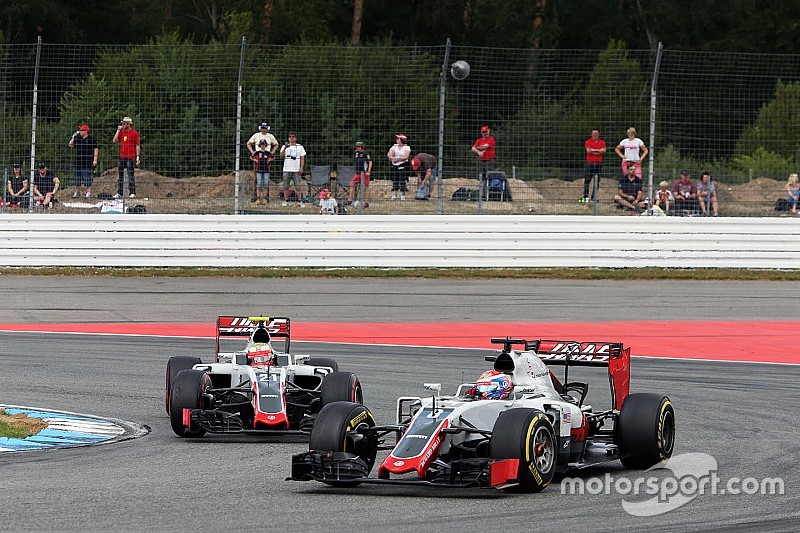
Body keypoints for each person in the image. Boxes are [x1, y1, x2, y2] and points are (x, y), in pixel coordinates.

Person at [246, 123, 278, 202]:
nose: (264, 129)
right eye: (263, 128)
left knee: (266, 178)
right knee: (257, 177)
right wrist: (253, 152)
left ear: (267, 129)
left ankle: (266, 196)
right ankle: (256, 196)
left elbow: (276, 144)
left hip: (267, 157)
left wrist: (272, 153)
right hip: (258, 157)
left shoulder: (270, 136)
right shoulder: (256, 135)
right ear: (261, 128)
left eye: (265, 128)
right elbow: (248, 143)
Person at [112, 116, 140, 198]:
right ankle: (120, 192)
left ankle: (132, 192)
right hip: (122, 156)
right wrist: (118, 130)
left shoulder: (134, 133)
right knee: (120, 175)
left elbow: (137, 145)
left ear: (128, 124)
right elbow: (115, 140)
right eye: (122, 123)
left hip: (130, 156)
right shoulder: (121, 132)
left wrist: (137, 156)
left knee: (130, 174)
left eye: (124, 123)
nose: (123, 125)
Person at [68, 124, 98, 198]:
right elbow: (70, 145)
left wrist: (95, 159)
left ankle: (88, 193)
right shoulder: (78, 138)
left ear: (86, 131)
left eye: (81, 130)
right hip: (78, 161)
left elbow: (96, 149)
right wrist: (73, 137)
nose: (80, 131)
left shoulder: (91, 139)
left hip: (88, 162)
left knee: (88, 177)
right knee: (76, 178)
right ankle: (77, 192)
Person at [279, 132, 305, 207]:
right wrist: (285, 148)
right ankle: (286, 200)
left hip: (296, 169)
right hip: (286, 169)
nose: (291, 138)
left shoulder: (300, 147)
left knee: (298, 186)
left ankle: (300, 201)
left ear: (295, 138)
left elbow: (302, 158)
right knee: (286, 186)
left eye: (293, 137)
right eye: (290, 137)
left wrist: (301, 167)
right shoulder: (285, 146)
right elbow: (281, 155)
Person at [581, 129, 606, 203]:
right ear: (591, 134)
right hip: (590, 163)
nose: (595, 135)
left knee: (597, 181)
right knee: (587, 180)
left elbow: (604, 150)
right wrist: (598, 150)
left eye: (596, 133)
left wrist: (593, 150)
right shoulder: (588, 142)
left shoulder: (602, 142)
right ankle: (585, 196)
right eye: (594, 133)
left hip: (598, 163)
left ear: (598, 134)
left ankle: (594, 196)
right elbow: (588, 151)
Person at [387, 133, 410, 200]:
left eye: (398, 139)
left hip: (402, 164)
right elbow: (389, 153)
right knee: (395, 179)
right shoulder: (394, 147)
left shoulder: (406, 147)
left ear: (401, 140)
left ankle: (402, 194)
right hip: (395, 165)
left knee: (402, 179)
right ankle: (394, 194)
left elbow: (406, 156)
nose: (396, 140)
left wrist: (398, 159)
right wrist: (392, 158)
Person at [249, 140, 273, 205]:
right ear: (260, 145)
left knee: (265, 185)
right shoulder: (257, 153)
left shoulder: (268, 153)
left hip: (266, 170)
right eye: (262, 145)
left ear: (266, 146)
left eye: (264, 145)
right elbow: (251, 157)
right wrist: (255, 160)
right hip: (259, 170)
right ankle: (258, 198)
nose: (263, 146)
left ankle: (265, 198)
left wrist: (270, 160)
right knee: (258, 185)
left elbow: (273, 157)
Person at [350, 141, 372, 208]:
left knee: (366, 186)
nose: (358, 148)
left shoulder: (365, 153)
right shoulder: (356, 153)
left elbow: (370, 162)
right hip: (358, 172)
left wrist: (368, 171)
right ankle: (350, 199)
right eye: (357, 147)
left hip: (364, 172)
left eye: (359, 147)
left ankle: (366, 202)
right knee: (352, 183)